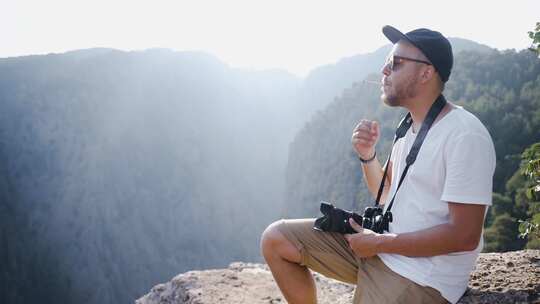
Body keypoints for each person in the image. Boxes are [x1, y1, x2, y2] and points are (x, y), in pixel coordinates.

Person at [260, 25, 496, 304]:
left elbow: (464, 235)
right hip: (384, 250)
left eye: (396, 63)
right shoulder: (410, 126)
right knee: (276, 239)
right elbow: (387, 193)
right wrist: (367, 155)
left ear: (426, 73)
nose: (384, 71)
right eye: (387, 63)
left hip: (423, 276)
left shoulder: (463, 134)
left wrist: (380, 243)